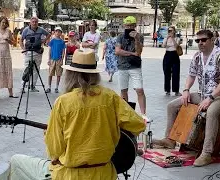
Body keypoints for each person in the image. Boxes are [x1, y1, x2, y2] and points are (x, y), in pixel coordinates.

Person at [9, 49, 146, 180]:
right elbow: (138, 124)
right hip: (104, 173)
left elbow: (54, 151)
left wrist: (50, 135)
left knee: (16, 161)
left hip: (70, 175)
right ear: (94, 74)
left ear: (70, 75)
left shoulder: (63, 102)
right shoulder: (110, 97)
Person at [153, 30, 220, 167]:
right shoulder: (197, 56)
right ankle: (170, 139)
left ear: (212, 40)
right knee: (172, 105)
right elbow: (191, 75)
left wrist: (210, 98)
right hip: (202, 94)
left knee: (211, 112)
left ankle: (207, 153)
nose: (200, 43)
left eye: (203, 40)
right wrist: (186, 90)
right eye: (197, 41)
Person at [115, 16, 149, 122]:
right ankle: (125, 112)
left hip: (135, 66)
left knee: (139, 89)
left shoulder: (140, 37)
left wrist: (136, 39)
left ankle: (143, 114)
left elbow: (139, 52)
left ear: (135, 26)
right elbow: (117, 51)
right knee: (123, 90)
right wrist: (131, 53)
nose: (129, 28)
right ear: (124, 26)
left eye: (131, 26)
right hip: (122, 66)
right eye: (127, 26)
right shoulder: (120, 37)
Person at [19, 17, 50, 92]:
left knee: (36, 69)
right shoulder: (26, 30)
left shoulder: (41, 29)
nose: (34, 23)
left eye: (36, 22)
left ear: (37, 23)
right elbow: (21, 40)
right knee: (27, 68)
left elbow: (48, 34)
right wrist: (23, 49)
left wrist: (44, 41)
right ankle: (23, 86)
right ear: (30, 22)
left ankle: (33, 86)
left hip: (38, 51)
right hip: (29, 51)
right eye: (33, 22)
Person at [0, 16, 18, 98]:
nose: (4, 24)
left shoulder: (8, 31)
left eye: (5, 23)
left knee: (8, 73)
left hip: (6, 56)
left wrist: (9, 40)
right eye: (2, 22)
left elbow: (13, 43)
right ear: (0, 22)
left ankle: (11, 93)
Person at [162, 26, 182, 96]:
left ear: (174, 31)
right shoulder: (166, 38)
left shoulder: (177, 38)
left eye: (171, 30)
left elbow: (176, 46)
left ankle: (176, 90)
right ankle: (167, 90)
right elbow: (163, 46)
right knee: (166, 73)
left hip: (175, 55)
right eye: (169, 31)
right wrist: (167, 38)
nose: (170, 32)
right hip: (167, 55)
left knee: (176, 73)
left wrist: (173, 38)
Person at [45, 27, 66, 93]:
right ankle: (49, 87)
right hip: (52, 59)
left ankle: (56, 87)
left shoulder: (62, 42)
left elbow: (63, 51)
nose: (57, 33)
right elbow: (50, 50)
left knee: (58, 74)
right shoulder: (52, 41)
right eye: (56, 31)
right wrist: (49, 59)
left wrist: (62, 60)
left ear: (61, 33)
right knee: (50, 74)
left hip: (59, 59)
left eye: (59, 31)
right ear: (54, 32)